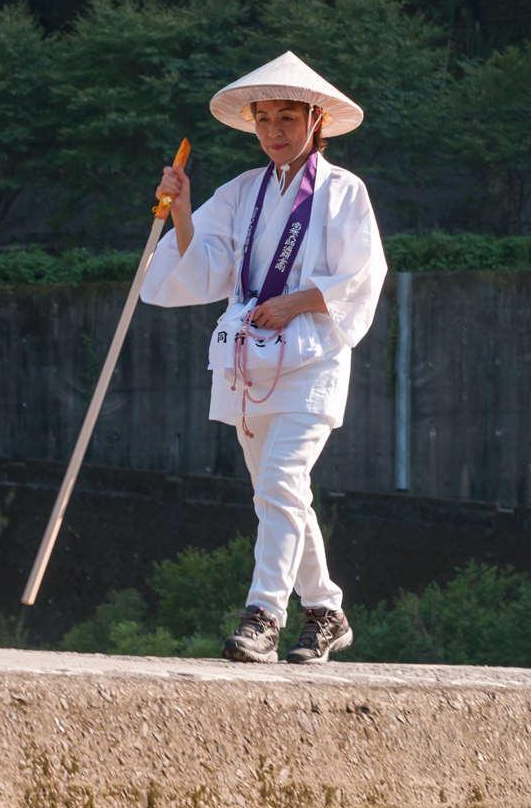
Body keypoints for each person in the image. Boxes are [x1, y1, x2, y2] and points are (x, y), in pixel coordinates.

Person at [140, 52, 389, 664]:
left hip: (313, 360)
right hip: (250, 359)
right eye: (265, 118)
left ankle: (263, 617)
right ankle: (326, 611)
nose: (275, 130)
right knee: (280, 492)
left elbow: (363, 274)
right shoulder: (241, 191)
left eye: (287, 117)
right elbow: (205, 266)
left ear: (316, 121)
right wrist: (180, 206)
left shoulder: (342, 190)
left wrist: (295, 302)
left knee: (280, 481)